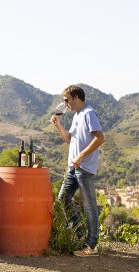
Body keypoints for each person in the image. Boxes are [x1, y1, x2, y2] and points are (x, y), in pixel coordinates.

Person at [51, 85, 105, 257]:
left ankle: (91, 246)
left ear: (76, 98)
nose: (65, 103)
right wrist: (58, 125)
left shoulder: (89, 113)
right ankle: (81, 235)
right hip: (72, 167)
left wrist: (81, 156)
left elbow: (100, 138)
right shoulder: (76, 115)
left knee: (89, 207)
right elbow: (69, 138)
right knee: (62, 200)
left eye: (67, 99)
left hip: (84, 167)